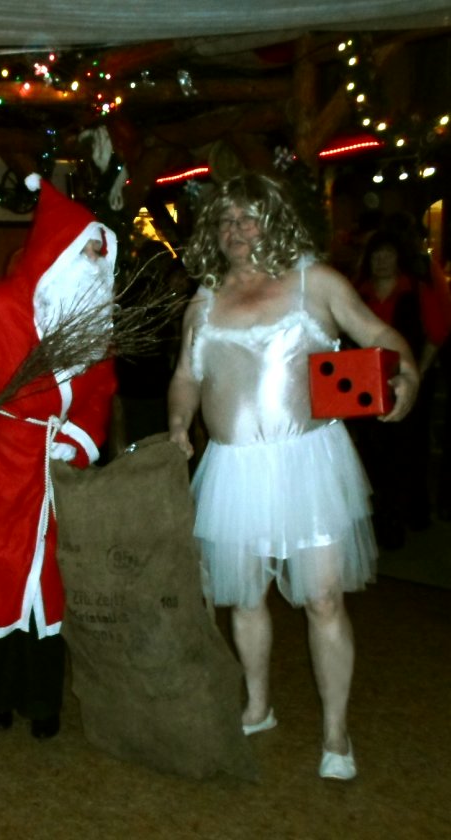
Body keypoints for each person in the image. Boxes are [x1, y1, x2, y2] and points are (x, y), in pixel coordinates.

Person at [167, 173, 419, 780]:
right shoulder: (204, 300)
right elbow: (186, 376)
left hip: (309, 463)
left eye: (248, 217)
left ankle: (336, 733)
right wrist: (178, 421)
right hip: (233, 469)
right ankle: (257, 706)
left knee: (324, 598)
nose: (235, 229)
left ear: (274, 220)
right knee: (244, 596)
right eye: (226, 220)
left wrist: (406, 376)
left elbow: (380, 334)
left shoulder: (316, 282)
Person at [0, 174, 118, 740]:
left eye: (99, 255)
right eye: (87, 252)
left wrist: (80, 437)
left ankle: (44, 703)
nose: (95, 265)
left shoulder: (92, 328)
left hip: (56, 472)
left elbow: (100, 392)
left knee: (49, 591)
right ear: (58, 253)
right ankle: (0, 696)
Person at [353, 228, 451, 545]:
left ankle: (408, 515)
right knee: (373, 452)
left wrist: (416, 375)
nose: (381, 261)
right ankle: (383, 518)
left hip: (408, 382)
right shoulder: (358, 294)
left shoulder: (416, 290)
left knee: (407, 451)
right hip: (366, 388)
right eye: (376, 256)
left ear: (399, 259)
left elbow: (437, 333)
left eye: (388, 255)